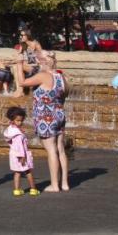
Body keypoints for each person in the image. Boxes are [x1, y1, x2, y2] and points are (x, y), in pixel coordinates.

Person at [20, 52, 69, 192]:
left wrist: (18, 65)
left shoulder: (43, 76)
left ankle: (54, 185)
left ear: (43, 62)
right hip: (59, 114)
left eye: (38, 59)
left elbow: (22, 83)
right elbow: (65, 95)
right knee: (60, 150)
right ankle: (64, 183)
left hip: (45, 117)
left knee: (51, 151)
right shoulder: (61, 76)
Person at [4, 106, 39, 197]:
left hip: (13, 155)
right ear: (12, 120)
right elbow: (19, 146)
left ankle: (16, 190)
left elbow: (12, 141)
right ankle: (33, 189)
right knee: (28, 172)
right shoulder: (18, 134)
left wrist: (19, 129)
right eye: (18, 121)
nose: (20, 122)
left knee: (17, 172)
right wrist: (22, 156)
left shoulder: (11, 129)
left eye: (21, 120)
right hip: (21, 155)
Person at [11, 29, 42, 97]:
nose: (20, 37)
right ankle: (19, 89)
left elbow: (42, 56)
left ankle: (20, 90)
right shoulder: (23, 44)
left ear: (27, 36)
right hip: (27, 66)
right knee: (15, 66)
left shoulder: (35, 44)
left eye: (22, 35)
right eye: (20, 35)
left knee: (18, 66)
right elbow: (18, 55)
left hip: (35, 67)